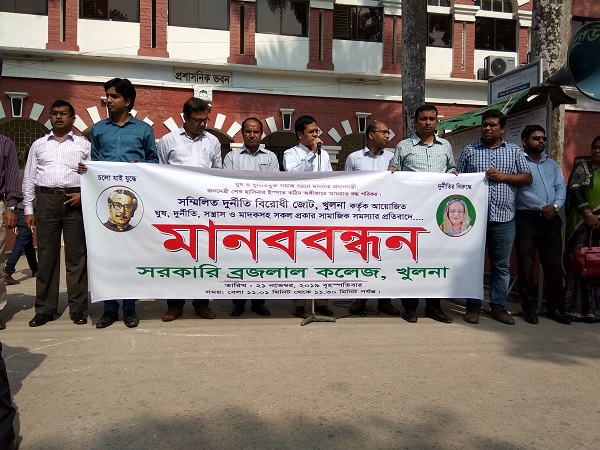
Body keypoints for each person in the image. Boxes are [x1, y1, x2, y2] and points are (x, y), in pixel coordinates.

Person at [80, 77, 158, 329]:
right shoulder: (98, 130)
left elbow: (154, 162)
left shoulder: (143, 130)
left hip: (133, 203)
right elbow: (95, 163)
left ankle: (130, 306)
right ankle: (109, 308)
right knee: (106, 256)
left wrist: (142, 166)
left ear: (127, 100)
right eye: (107, 96)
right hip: (106, 201)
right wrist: (86, 170)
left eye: (114, 96)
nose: (108, 100)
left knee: (130, 255)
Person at [457, 109, 532, 325]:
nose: (487, 128)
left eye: (492, 125)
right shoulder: (470, 151)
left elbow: (527, 178)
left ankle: (498, 307)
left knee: (501, 266)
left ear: (503, 129)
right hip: (474, 220)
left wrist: (503, 177)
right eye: (485, 125)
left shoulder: (515, 151)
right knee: (473, 264)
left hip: (504, 219)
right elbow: (458, 181)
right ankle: (473, 306)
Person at [23, 99, 90, 327]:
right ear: (50, 117)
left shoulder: (83, 145)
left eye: (63, 113)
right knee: (46, 257)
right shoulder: (39, 145)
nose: (58, 117)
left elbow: (93, 175)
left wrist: (83, 195)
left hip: (74, 202)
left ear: (72, 118)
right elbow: (29, 177)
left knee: (77, 258)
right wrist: (29, 209)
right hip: (46, 201)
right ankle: (45, 309)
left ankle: (78, 308)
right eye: (54, 113)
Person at [388, 104, 457, 324]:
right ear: (415, 121)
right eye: (424, 119)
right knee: (411, 259)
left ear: (437, 121)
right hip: (412, 213)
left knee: (436, 260)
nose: (428, 122)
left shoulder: (445, 145)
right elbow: (393, 172)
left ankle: (434, 307)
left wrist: (454, 174)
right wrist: (391, 173)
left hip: (438, 215)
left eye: (432, 119)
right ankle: (410, 307)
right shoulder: (403, 146)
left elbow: (451, 168)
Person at [157, 97, 221, 322]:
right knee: (176, 256)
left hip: (204, 210)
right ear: (185, 117)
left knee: (203, 256)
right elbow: (159, 174)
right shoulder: (168, 140)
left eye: (205, 120)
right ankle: (175, 305)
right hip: (176, 209)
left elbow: (218, 174)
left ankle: (202, 303)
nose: (203, 124)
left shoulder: (213, 141)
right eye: (198, 120)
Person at [515, 125, 571, 325]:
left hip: (551, 219)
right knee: (527, 265)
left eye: (543, 138)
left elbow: (561, 187)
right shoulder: (518, 162)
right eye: (536, 138)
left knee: (554, 265)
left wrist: (554, 207)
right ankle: (529, 308)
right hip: (527, 218)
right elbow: (520, 190)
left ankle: (555, 308)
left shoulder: (552, 164)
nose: (541, 141)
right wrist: (543, 206)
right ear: (524, 141)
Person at [224, 117, 279, 317]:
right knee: (238, 260)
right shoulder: (231, 157)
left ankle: (258, 302)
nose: (252, 135)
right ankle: (238, 302)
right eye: (248, 131)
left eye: (256, 132)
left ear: (261, 134)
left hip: (263, 218)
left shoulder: (271, 157)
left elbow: (273, 186)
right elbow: (228, 186)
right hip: (238, 218)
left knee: (260, 260)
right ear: (242, 133)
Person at [344, 121, 400, 316]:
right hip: (361, 217)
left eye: (388, 132)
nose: (387, 136)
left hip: (386, 217)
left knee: (385, 257)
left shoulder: (393, 158)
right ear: (370, 134)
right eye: (383, 132)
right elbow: (347, 187)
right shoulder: (354, 158)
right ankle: (360, 299)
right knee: (362, 258)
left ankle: (384, 301)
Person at [284, 115, 334, 317]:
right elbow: (294, 175)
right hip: (299, 213)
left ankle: (321, 302)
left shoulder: (325, 155)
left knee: (322, 256)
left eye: (316, 131)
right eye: (311, 132)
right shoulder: (290, 153)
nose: (315, 135)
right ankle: (299, 303)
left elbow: (330, 179)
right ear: (300, 134)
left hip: (321, 213)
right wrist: (312, 153)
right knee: (300, 258)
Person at [564, 135, 600, 322]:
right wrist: (589, 214)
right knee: (579, 262)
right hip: (581, 222)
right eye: (594, 147)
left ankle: (596, 310)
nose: (597, 151)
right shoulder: (581, 167)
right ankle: (576, 308)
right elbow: (574, 191)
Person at [4, 204, 38, 285]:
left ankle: (35, 268)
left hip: (21, 209)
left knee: (27, 240)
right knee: (22, 239)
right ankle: (8, 270)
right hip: (29, 210)